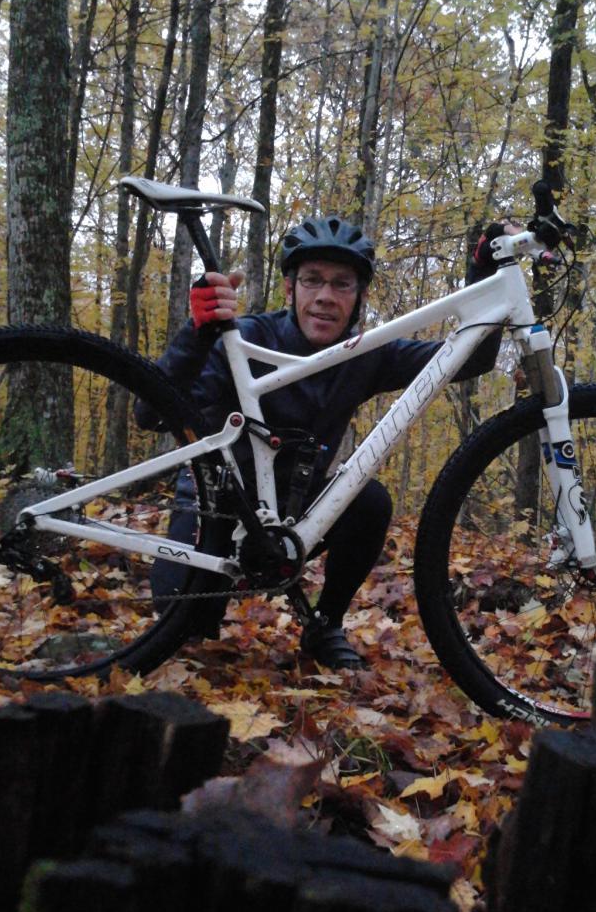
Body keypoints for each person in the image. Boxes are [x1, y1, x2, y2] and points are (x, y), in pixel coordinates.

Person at [136, 215, 512, 668]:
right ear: (290, 289)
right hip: (215, 515)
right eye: (312, 280)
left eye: (342, 284)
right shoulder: (248, 339)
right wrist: (196, 334)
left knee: (369, 502)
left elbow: (468, 359)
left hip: (293, 519)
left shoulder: (366, 355)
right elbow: (151, 414)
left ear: (359, 297)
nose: (325, 297)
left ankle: (326, 624)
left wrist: (484, 274)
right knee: (185, 633)